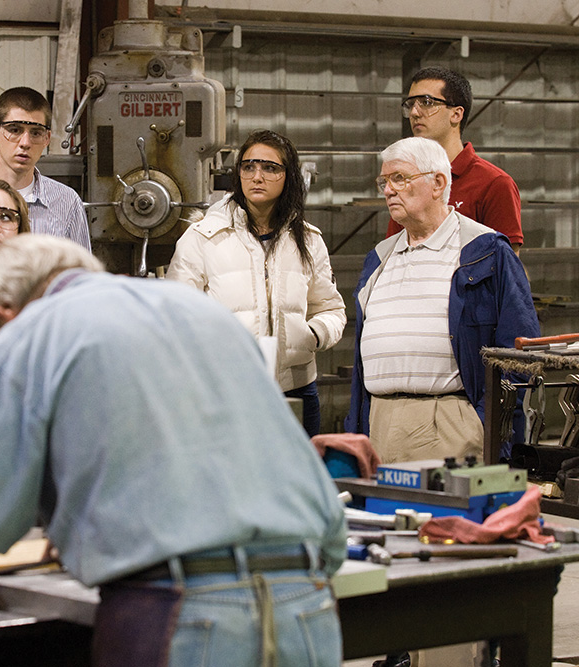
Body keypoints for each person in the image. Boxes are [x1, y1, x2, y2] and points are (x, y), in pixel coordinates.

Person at [0, 235, 346, 667]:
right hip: (306, 603)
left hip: (182, 612)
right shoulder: (205, 315)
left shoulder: (30, 331)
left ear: (1, 315)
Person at [345, 136, 539, 465]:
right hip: (378, 421)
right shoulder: (379, 258)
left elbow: (519, 350)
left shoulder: (485, 251)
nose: (389, 190)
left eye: (399, 178)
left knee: (444, 517)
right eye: (384, 181)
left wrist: (483, 423)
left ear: (437, 183)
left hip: (450, 422)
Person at [167, 130, 346, 436]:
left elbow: (330, 307)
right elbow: (174, 315)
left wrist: (314, 334)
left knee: (296, 482)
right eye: (248, 167)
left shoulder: (308, 240)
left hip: (297, 390)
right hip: (227, 390)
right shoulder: (203, 237)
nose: (257, 176)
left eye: (269, 167)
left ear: (288, 176)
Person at [385, 67, 523, 253]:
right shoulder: (407, 180)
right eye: (411, 104)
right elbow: (393, 254)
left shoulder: (494, 184)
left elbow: (505, 272)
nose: (414, 113)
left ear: (456, 114)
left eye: (426, 102)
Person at [0, 87, 91, 250]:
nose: (25, 143)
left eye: (36, 133)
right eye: (15, 130)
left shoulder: (66, 203)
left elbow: (82, 273)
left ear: (47, 139)